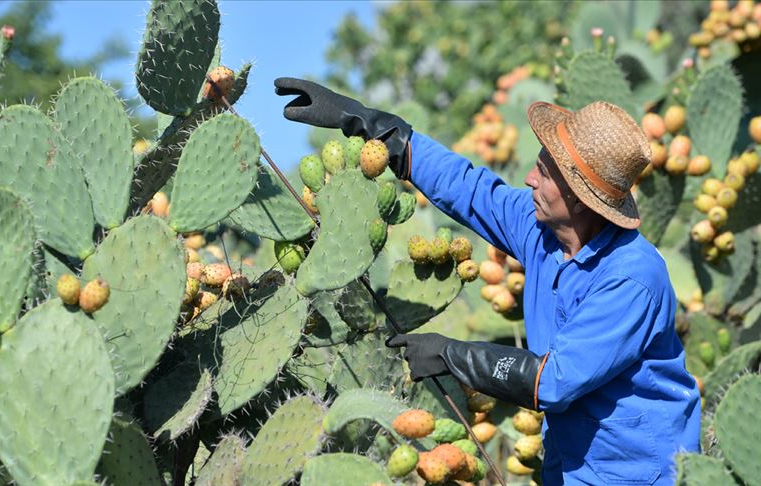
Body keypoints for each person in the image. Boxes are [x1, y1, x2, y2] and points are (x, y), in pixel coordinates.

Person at [275, 77, 701, 485]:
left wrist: (451, 355)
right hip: (569, 467)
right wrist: (372, 125)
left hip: (639, 474)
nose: (530, 180)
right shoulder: (542, 230)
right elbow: (472, 190)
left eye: (544, 174)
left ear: (577, 195)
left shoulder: (631, 278)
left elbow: (553, 382)